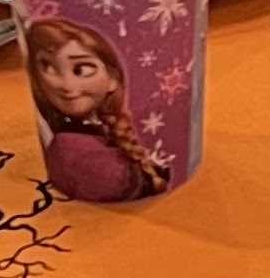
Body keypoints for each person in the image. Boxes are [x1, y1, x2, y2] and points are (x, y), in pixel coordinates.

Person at [21, 13, 169, 204]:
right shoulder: (71, 147)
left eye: (80, 69)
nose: (66, 85)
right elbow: (113, 185)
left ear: (113, 79)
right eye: (48, 67)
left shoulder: (101, 131)